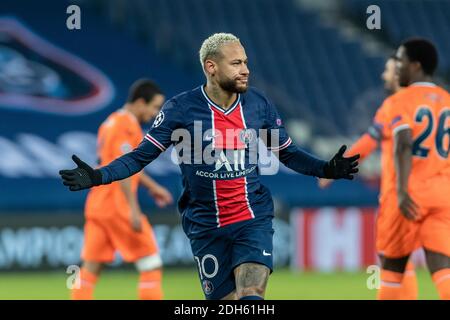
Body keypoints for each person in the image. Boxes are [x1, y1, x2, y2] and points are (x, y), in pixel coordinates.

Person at [60, 33, 359, 300]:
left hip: (251, 216)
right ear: (211, 67)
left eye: (245, 62)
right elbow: (140, 157)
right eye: (236, 63)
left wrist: (325, 168)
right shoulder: (180, 109)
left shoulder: (259, 105)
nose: (245, 70)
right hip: (205, 225)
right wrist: (99, 175)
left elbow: (287, 153)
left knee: (252, 292)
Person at [319, 55, 419, 299]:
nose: (382, 76)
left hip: (400, 193)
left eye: (387, 71)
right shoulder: (425, 104)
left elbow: (368, 142)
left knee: (393, 258)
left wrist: (336, 168)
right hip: (429, 190)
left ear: (398, 75)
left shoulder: (394, 106)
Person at [361, 38, 450, 300]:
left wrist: (401, 190)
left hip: (408, 195)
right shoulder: (447, 101)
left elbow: (403, 145)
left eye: (400, 60)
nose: (396, 66)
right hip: (442, 196)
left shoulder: (401, 100)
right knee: (443, 268)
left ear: (415, 65)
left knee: (392, 268)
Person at [71, 79, 173, 300]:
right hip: (117, 205)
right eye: (154, 107)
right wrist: (133, 209)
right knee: (151, 263)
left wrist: (153, 187)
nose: (155, 114)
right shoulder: (126, 125)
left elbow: (120, 164)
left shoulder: (109, 122)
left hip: (97, 204)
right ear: (139, 102)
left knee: (90, 268)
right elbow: (123, 168)